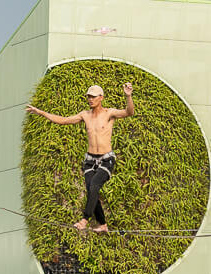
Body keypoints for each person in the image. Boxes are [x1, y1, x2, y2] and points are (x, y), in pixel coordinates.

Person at [26, 82, 135, 232]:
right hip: (90, 161)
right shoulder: (85, 115)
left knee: (95, 185)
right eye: (88, 97)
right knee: (91, 190)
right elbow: (63, 120)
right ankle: (103, 224)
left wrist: (128, 96)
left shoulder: (109, 113)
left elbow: (129, 112)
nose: (90, 99)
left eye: (93, 97)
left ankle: (85, 219)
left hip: (106, 159)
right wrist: (41, 113)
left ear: (101, 98)